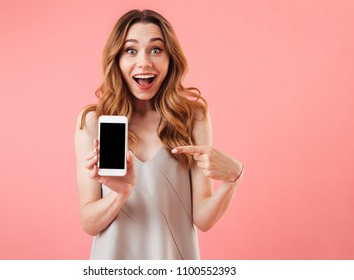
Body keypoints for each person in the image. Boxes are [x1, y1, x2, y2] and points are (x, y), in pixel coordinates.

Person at [74, 9, 243, 260]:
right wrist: (120, 194)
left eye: (156, 49)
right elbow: (89, 223)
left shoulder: (192, 117)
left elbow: (203, 219)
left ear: (170, 58)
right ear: (117, 60)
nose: (144, 62)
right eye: (130, 50)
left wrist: (233, 178)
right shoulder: (93, 122)